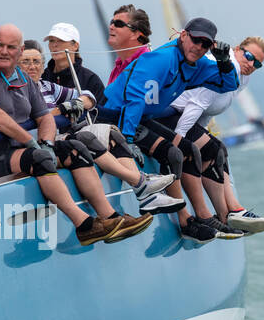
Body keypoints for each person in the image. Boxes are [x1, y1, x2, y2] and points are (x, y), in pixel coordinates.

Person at [0, 24, 148, 246]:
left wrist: (47, 143)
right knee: (39, 158)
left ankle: (110, 218)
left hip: (10, 153)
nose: (4, 51)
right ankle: (85, 226)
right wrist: (32, 143)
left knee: (75, 149)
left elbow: (45, 118)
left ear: (20, 51)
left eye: (10, 47)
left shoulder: (22, 78)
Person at [97, 17, 241, 241]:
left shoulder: (198, 63)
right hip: (116, 115)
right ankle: (184, 221)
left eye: (206, 44)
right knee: (174, 153)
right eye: (196, 40)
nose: (199, 47)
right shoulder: (161, 59)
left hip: (143, 118)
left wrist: (224, 63)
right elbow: (133, 99)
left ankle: (204, 217)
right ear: (183, 35)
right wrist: (127, 139)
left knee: (193, 150)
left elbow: (229, 84)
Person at [19, 41, 177, 214]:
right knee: (85, 139)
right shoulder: (16, 91)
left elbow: (89, 95)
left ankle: (145, 195)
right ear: (16, 66)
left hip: (57, 137)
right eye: (26, 62)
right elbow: (38, 117)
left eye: (36, 62)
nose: (32, 66)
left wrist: (74, 104)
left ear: (43, 66)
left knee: (111, 133)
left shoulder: (47, 86)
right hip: (40, 143)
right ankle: (140, 185)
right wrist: (57, 112)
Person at [155, 36, 264, 239]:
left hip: (183, 117)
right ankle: (224, 214)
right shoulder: (221, 67)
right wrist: (178, 140)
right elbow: (195, 106)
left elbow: (208, 110)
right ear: (237, 49)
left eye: (257, 63)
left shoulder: (242, 77)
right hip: (166, 113)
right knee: (212, 148)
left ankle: (230, 213)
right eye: (248, 56)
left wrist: (201, 135)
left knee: (218, 149)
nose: (251, 63)